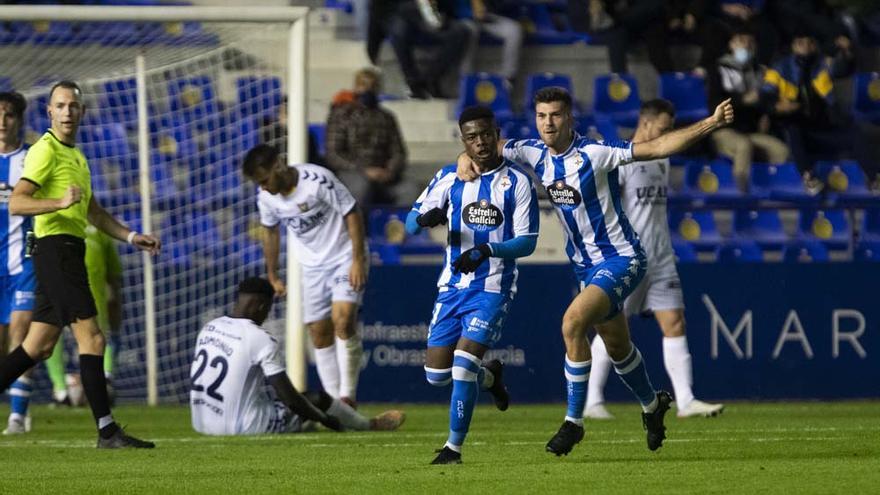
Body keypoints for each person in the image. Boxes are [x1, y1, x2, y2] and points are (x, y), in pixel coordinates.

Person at [458, 87, 734, 455]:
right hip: (585, 267)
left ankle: (574, 421)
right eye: (541, 116)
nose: (548, 123)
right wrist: (464, 157)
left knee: (572, 323)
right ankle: (653, 405)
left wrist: (711, 123)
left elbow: (655, 148)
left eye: (555, 115)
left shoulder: (595, 153)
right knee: (619, 347)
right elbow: (487, 146)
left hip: (622, 258)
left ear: (570, 117)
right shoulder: (530, 151)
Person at [1, 80, 160, 448]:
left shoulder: (77, 157)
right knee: (93, 337)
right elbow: (17, 203)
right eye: (60, 106)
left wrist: (132, 236)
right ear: (50, 112)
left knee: (36, 347)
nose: (68, 112)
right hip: (55, 249)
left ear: (82, 112)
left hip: (65, 251)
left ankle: (107, 430)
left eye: (73, 106)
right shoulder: (44, 151)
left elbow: (93, 212)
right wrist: (57, 203)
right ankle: (107, 430)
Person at [407, 105, 539, 465]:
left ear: (497, 134)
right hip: (451, 287)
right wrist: (424, 219)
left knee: (462, 364)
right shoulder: (450, 177)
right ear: (463, 141)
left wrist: (486, 249)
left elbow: (527, 242)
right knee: (437, 376)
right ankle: (490, 379)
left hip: (492, 287)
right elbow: (407, 223)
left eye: (485, 134)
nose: (480, 142)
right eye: (471, 137)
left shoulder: (518, 182)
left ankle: (453, 448)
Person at [583, 99, 725, 420]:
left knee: (675, 322)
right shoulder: (621, 160)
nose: (667, 133)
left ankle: (686, 400)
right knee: (614, 329)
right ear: (645, 123)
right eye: (663, 128)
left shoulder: (662, 160)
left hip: (661, 256)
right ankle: (591, 401)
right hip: (630, 257)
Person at [190, 277, 404, 435]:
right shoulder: (260, 338)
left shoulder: (210, 327)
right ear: (264, 306)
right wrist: (328, 420)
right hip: (243, 427)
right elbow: (289, 398)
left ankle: (308, 422)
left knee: (274, 402)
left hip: (201, 423)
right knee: (316, 399)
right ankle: (369, 425)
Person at [242, 144, 367, 407]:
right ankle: (335, 402)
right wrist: (273, 275)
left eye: (264, 180)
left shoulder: (318, 180)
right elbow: (271, 232)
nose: (263, 187)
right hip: (311, 268)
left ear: (278, 165)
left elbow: (352, 213)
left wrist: (357, 260)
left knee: (342, 320)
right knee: (319, 333)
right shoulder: (266, 199)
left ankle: (348, 396)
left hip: (343, 257)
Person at [762, 31, 880, 193]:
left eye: (809, 43)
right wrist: (776, 107)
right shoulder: (780, 68)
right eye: (800, 43)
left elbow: (841, 68)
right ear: (793, 46)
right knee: (793, 129)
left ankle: (874, 179)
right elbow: (766, 97)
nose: (806, 47)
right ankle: (808, 178)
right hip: (797, 132)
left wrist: (846, 53)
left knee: (855, 133)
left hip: (823, 128)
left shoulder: (822, 64)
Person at [43, 223, 124, 407]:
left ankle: (104, 379)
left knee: (97, 336)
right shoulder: (51, 220)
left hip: (92, 293)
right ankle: (62, 390)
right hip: (58, 288)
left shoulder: (99, 229)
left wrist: (114, 296)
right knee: (49, 337)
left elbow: (113, 274)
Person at [708, 29, 789, 191]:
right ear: (731, 44)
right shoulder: (717, 69)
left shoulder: (760, 72)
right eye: (740, 40)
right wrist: (743, 100)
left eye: (750, 42)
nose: (746, 45)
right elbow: (715, 103)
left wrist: (766, 114)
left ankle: (770, 192)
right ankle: (742, 193)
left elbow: (766, 101)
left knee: (781, 151)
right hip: (724, 131)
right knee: (743, 145)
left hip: (751, 132)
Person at [325, 68, 417, 209]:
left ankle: (397, 230)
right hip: (351, 172)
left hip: (383, 174)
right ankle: (359, 229)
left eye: (373, 86)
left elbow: (398, 151)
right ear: (355, 87)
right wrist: (364, 170)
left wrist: (389, 171)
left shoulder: (387, 117)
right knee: (361, 186)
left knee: (410, 190)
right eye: (363, 85)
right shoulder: (341, 114)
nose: (368, 89)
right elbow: (333, 154)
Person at [0, 91, 36, 435]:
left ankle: (17, 417)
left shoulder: (32, 160)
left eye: (8, 115)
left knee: (21, 336)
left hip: (25, 263)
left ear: (19, 119)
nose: (1, 122)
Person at [457, 0, 523, 87]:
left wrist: (485, 10)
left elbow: (498, 6)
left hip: (487, 17)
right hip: (464, 19)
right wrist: (471, 14)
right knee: (469, 31)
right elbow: (453, 8)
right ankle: (465, 78)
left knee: (514, 30)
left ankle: (508, 78)